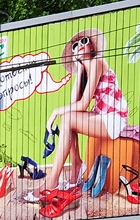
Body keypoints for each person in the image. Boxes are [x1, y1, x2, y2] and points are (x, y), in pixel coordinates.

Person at [36, 28, 127, 200]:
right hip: (102, 117)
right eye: (75, 45)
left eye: (84, 41)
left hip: (114, 119)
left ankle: (52, 181)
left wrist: (55, 112)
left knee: (67, 117)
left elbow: (83, 104)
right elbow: (74, 105)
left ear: (92, 47)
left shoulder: (97, 62)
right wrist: (78, 71)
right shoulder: (86, 71)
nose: (79, 46)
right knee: (68, 118)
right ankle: (76, 167)